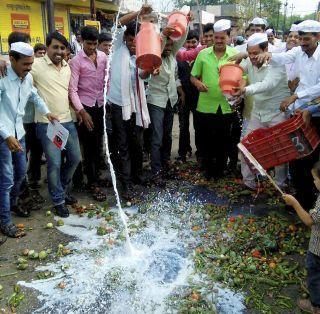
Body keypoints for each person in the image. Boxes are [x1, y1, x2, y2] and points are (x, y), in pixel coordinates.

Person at [257, 19, 320, 209]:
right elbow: (282, 57)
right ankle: (300, 202)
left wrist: (296, 96)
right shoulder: (299, 52)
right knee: (296, 158)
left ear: (317, 37)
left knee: (311, 162)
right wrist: (268, 55)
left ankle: (311, 207)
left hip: (316, 115)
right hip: (298, 115)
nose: (302, 42)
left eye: (306, 38)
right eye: (300, 38)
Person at [0, 42, 56, 237]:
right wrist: (6, 135)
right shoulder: (2, 77)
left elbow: (34, 96)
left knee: (20, 174)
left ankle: (13, 204)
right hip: (3, 136)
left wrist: (47, 113)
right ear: (12, 60)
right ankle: (4, 221)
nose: (29, 68)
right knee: (6, 180)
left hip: (19, 134)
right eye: (25, 64)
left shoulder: (28, 77)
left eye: (31, 64)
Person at [32, 31, 81, 217]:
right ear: (47, 48)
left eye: (62, 48)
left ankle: (61, 188)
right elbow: (16, 66)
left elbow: (68, 92)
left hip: (67, 121)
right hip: (47, 124)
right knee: (54, 163)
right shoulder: (36, 65)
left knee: (75, 158)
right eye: (55, 47)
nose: (59, 51)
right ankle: (59, 199)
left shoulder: (67, 67)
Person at [106, 6, 153, 200]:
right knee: (122, 145)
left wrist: (150, 71)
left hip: (137, 106)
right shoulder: (117, 48)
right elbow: (118, 23)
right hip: (118, 106)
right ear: (125, 39)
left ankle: (137, 176)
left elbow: (141, 76)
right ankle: (125, 184)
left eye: (136, 40)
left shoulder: (142, 53)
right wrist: (138, 14)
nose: (134, 43)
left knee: (137, 144)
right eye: (131, 40)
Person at [233, 33, 290, 190]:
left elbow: (267, 85)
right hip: (258, 112)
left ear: (266, 49)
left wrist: (244, 90)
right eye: (249, 53)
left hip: (277, 113)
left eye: (255, 53)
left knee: (280, 150)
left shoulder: (276, 63)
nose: (252, 57)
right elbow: (235, 70)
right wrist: (233, 67)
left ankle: (281, 185)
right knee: (245, 146)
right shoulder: (249, 61)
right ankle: (249, 182)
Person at [190, 19, 239, 179]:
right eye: (216, 38)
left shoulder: (235, 55)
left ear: (228, 37)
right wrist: (198, 83)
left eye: (222, 38)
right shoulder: (203, 54)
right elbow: (193, 76)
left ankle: (219, 170)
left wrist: (239, 92)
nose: (218, 41)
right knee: (205, 140)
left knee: (223, 139)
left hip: (226, 105)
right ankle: (207, 170)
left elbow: (243, 77)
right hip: (205, 105)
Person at [69, 26, 108, 201]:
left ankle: (96, 177)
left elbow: (107, 79)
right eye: (89, 43)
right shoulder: (76, 62)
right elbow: (72, 90)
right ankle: (92, 182)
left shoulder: (103, 57)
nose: (92, 47)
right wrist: (82, 112)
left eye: (95, 44)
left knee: (98, 144)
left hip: (100, 105)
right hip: (85, 107)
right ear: (81, 41)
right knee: (89, 147)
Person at [147, 23, 188, 183]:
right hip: (156, 101)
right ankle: (156, 170)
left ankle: (165, 164)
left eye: (172, 44)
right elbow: (161, 44)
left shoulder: (172, 56)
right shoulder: (153, 56)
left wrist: (186, 23)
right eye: (167, 44)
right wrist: (163, 35)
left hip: (171, 100)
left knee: (168, 136)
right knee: (157, 137)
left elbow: (181, 39)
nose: (170, 47)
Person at [283, 162, 320, 314]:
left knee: (314, 271)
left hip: (318, 249)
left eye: (316, 179)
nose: (314, 182)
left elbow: (309, 221)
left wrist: (294, 203)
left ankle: (316, 304)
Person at [176, 30, 200, 163]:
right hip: (183, 97)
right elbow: (176, 77)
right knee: (183, 126)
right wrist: (181, 92)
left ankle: (200, 153)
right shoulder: (179, 56)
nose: (190, 45)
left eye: (193, 42)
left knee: (198, 126)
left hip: (198, 97)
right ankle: (183, 152)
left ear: (198, 43)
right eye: (188, 42)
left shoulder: (201, 56)